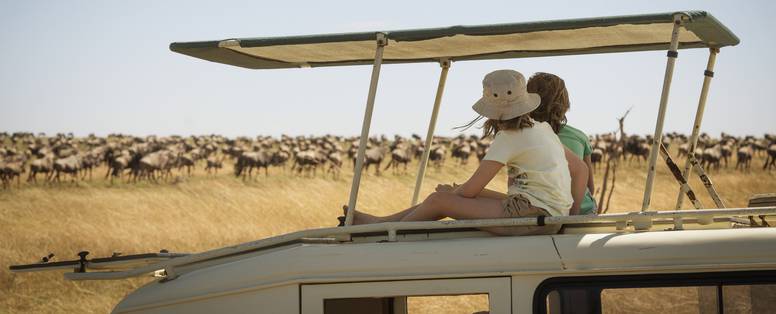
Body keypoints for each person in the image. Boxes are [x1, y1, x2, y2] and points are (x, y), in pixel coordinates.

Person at [348, 69, 573, 236]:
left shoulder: (509, 137)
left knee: (439, 201)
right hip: (548, 212)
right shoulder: (540, 128)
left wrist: (453, 194)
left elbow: (471, 191)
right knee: (451, 192)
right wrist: (456, 191)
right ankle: (381, 222)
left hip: (532, 216)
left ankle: (384, 232)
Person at [527, 72, 597, 215]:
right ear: (565, 103)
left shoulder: (523, 137)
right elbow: (590, 186)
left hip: (540, 213)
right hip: (582, 211)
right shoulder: (579, 136)